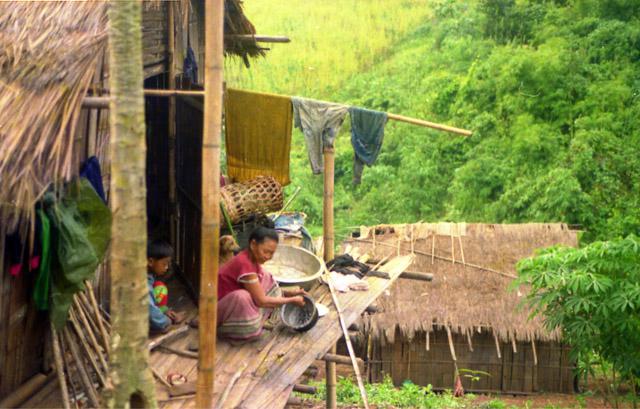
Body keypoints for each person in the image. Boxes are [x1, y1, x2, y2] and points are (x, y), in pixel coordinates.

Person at [217, 226, 306, 342]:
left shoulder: (249, 258)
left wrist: (288, 293)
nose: (268, 257)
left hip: (232, 301)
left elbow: (257, 289)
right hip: (218, 310)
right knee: (242, 297)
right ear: (253, 245)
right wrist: (291, 300)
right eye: (265, 251)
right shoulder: (244, 264)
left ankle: (257, 314)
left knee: (265, 276)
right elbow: (261, 301)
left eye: (271, 253)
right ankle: (230, 328)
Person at [147, 240, 184, 334]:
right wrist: (166, 321)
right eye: (164, 264)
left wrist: (164, 311)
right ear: (151, 261)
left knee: (159, 287)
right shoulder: (143, 285)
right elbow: (150, 310)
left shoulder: (149, 278)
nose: (167, 267)